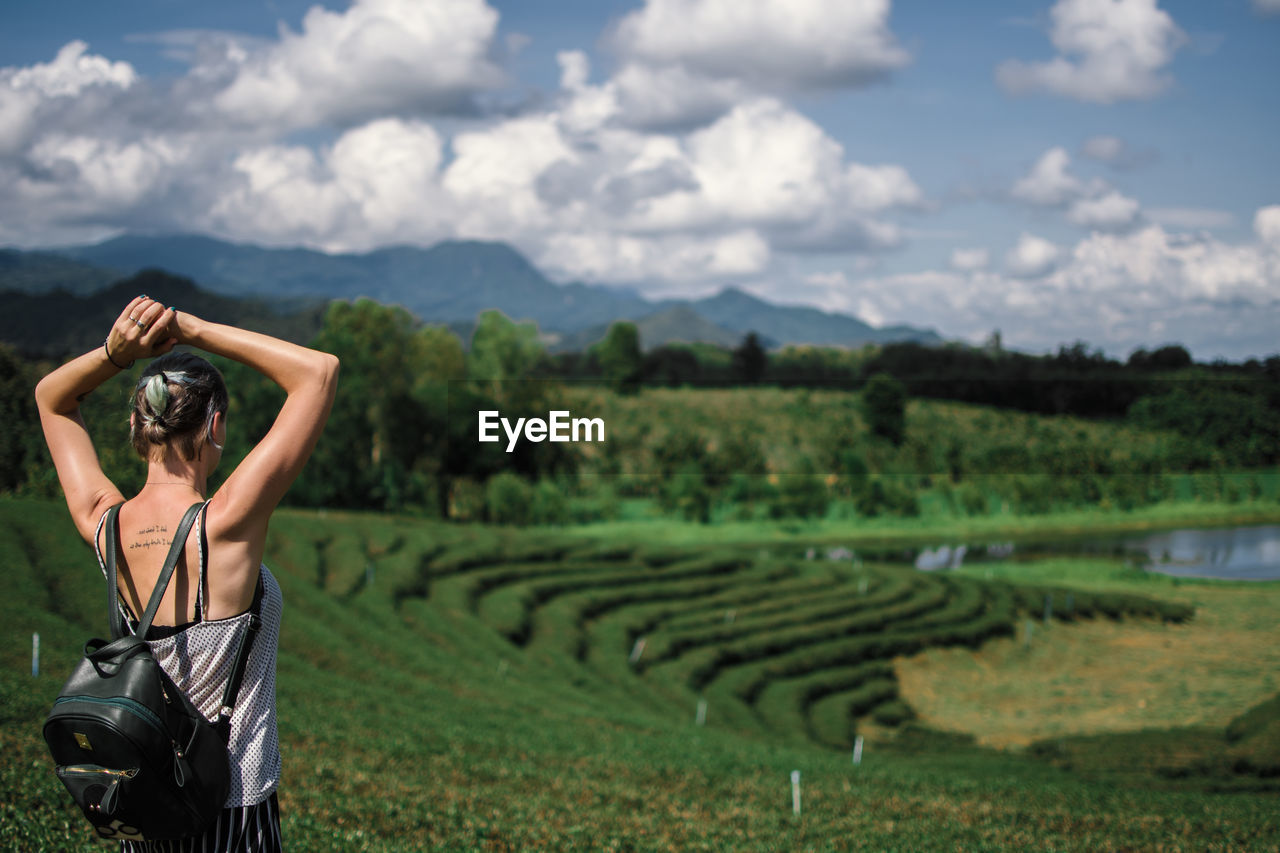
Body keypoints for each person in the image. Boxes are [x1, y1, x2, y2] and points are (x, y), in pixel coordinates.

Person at [35, 295, 339, 852]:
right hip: (233, 807)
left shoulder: (105, 525)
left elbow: (52, 400)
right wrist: (190, 328)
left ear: (137, 423)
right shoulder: (224, 526)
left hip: (148, 805)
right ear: (214, 424)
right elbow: (318, 373)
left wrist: (115, 352)